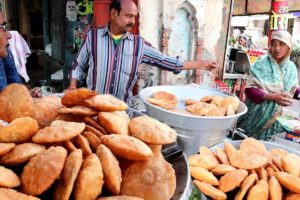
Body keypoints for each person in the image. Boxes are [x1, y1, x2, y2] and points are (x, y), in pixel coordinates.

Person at [69, 0, 218, 102]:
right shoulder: (92, 36)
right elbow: (78, 65)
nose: (133, 21)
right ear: (114, 14)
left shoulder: (138, 44)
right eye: (128, 16)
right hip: (93, 107)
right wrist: (72, 87)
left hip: (121, 112)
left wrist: (201, 64)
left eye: (135, 17)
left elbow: (168, 61)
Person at [237, 30, 299, 140]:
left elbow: (293, 89)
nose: (277, 48)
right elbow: (250, 89)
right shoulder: (261, 63)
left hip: (276, 119)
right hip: (255, 116)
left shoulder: (291, 68)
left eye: (282, 44)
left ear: (289, 47)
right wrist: (273, 97)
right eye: (274, 44)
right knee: (246, 145)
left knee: (267, 150)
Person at [0, 10, 41, 97]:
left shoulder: (5, 53)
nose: (9, 35)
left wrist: (25, 97)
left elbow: (14, 93)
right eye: (2, 28)